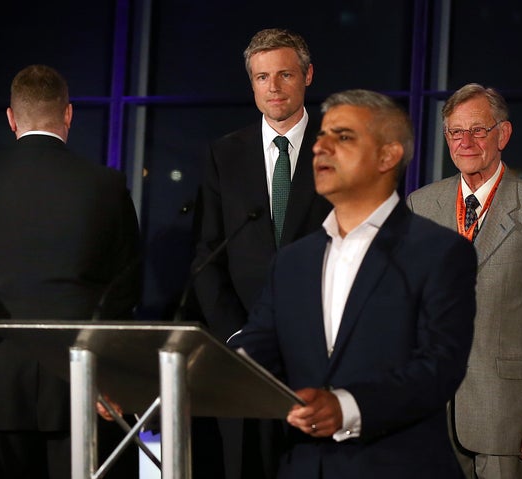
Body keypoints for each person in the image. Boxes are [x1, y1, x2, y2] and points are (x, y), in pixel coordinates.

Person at [228, 89, 477, 478]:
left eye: (342, 137)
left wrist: (346, 407)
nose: (320, 147)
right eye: (322, 135)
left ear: (387, 155)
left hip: (397, 467)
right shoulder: (293, 262)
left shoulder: (439, 252)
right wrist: (157, 379)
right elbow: (255, 351)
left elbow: (439, 368)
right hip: (304, 466)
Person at [0, 64, 142, 479]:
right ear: (68, 114)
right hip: (86, 392)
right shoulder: (107, 185)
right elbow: (127, 289)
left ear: (11, 118)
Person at [406, 82, 522, 478]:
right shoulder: (420, 205)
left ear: (503, 134)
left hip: (505, 416)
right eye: (455, 132)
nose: (466, 141)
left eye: (478, 130)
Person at [191, 28, 332, 479]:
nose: (273, 87)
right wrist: (236, 338)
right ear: (251, 84)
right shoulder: (223, 155)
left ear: (307, 76)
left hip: (322, 355)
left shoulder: (342, 147)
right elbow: (207, 255)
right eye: (262, 77)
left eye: (285, 74)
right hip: (243, 359)